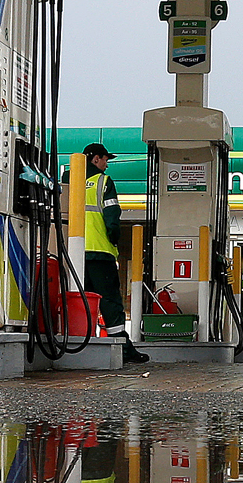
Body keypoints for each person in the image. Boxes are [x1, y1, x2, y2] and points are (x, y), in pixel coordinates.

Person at [80, 143, 148, 363]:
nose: (107, 164)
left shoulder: (68, 180)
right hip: (99, 251)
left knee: (80, 299)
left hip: (72, 253)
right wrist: (115, 238)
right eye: (105, 159)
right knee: (109, 300)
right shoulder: (103, 182)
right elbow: (112, 218)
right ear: (96, 159)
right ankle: (122, 348)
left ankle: (81, 342)